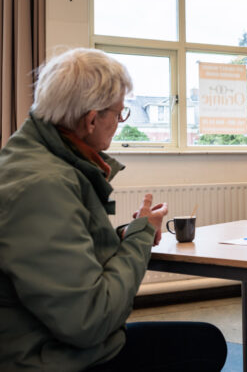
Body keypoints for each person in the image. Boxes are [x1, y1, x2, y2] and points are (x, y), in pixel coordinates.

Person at [0, 48, 227, 372]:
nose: (120, 124)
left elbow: (68, 251)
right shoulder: (43, 186)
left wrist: (128, 233)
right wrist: (139, 238)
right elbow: (89, 321)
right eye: (120, 114)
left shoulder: (30, 159)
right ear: (92, 119)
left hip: (40, 340)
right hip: (49, 357)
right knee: (205, 344)